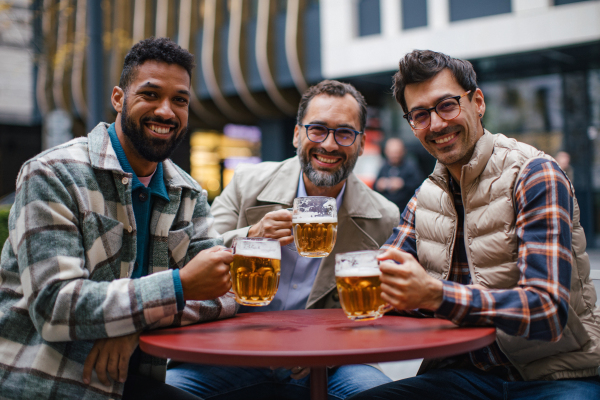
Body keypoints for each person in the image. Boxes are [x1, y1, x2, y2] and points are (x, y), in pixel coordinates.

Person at [348, 50, 600, 400]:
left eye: (447, 105)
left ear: (477, 102)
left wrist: (435, 295)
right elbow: (382, 281)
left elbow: (547, 311)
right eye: (420, 114)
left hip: (555, 373)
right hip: (464, 376)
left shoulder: (534, 174)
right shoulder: (424, 197)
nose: (436, 124)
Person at [0, 37, 236, 400]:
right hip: (46, 382)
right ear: (118, 99)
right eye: (150, 94)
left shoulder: (187, 192)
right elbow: (55, 306)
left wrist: (133, 326)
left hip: (127, 380)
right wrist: (178, 287)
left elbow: (227, 291)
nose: (166, 111)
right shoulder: (52, 174)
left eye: (180, 100)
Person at [166, 80, 400, 399]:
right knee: (166, 391)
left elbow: (383, 313)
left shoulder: (383, 216)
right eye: (317, 129)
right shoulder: (247, 185)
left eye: (344, 133)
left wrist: (330, 348)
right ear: (296, 135)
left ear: (361, 144)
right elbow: (191, 257)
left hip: (335, 361)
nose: (329, 145)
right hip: (235, 351)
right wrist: (250, 236)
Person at [374, 137, 424, 211]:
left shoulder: (410, 166)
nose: (394, 155)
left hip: (405, 208)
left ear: (402, 151)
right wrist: (380, 185)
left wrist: (402, 184)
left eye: (396, 152)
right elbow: (375, 186)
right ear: (386, 152)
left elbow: (419, 186)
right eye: (391, 152)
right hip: (386, 209)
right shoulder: (384, 167)